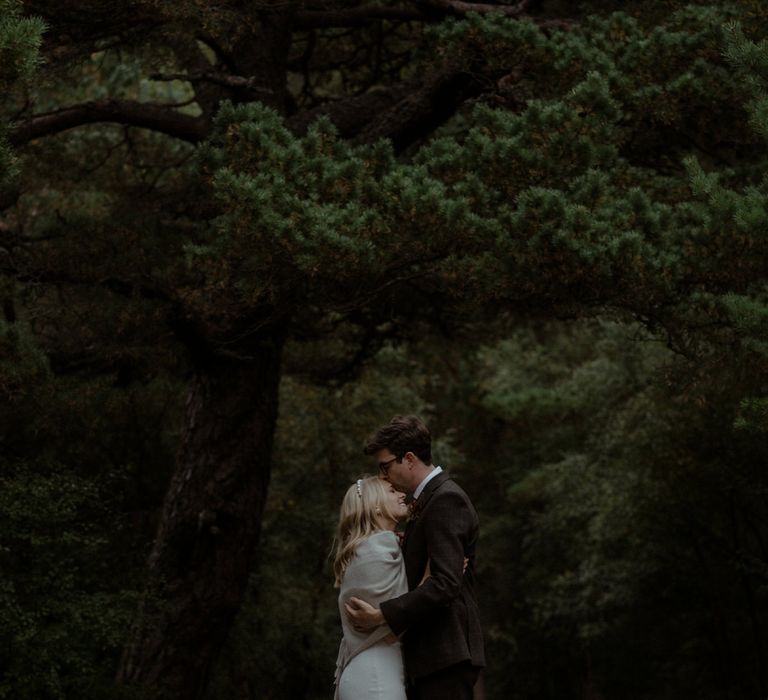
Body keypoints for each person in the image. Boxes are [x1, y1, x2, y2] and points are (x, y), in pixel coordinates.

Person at [345, 415, 485, 700]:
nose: (383, 476)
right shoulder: (428, 502)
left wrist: (381, 615)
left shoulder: (444, 499)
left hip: (445, 654)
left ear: (408, 459)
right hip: (431, 657)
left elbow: (446, 583)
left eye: (385, 466)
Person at [333, 475, 410, 700]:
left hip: (376, 672)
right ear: (376, 506)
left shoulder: (373, 549)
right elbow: (407, 613)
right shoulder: (373, 554)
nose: (402, 494)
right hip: (375, 677)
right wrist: (432, 570)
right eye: (392, 492)